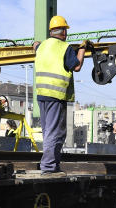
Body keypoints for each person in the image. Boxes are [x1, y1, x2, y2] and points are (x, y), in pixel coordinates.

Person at [33, 16, 91, 176]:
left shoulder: (42, 47)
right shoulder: (65, 48)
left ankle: (53, 165)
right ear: (64, 32)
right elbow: (77, 66)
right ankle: (49, 167)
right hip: (56, 95)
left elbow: (36, 45)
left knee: (48, 131)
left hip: (42, 95)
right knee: (55, 132)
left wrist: (36, 43)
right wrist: (82, 49)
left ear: (51, 31)